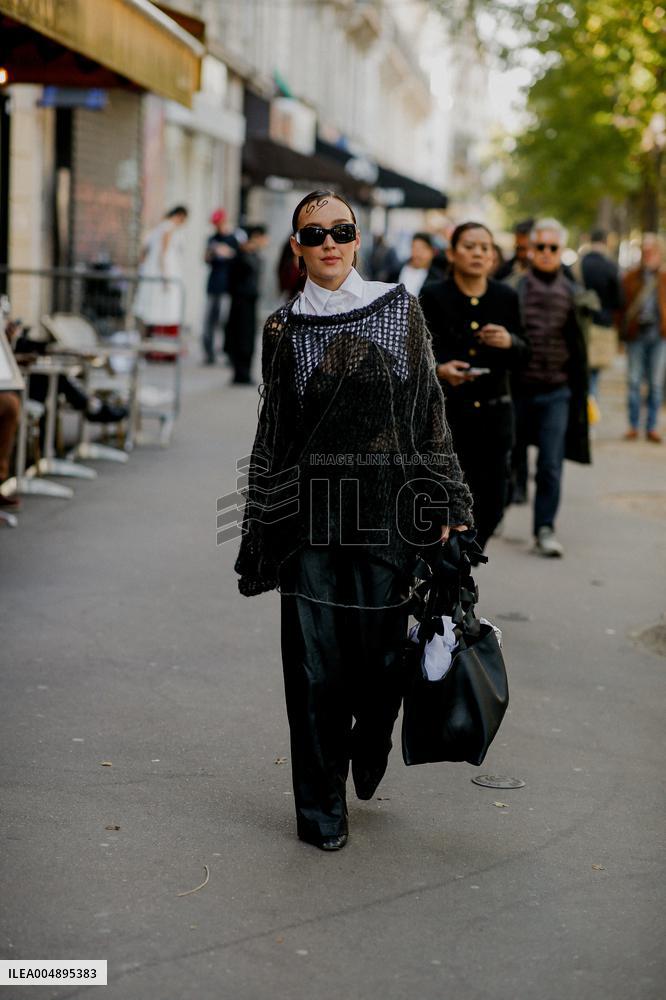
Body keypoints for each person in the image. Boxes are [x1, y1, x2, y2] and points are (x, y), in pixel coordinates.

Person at [234, 189, 473, 852]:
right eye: (315, 234)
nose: (329, 243)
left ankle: (372, 737)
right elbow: (275, 433)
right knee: (313, 670)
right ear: (297, 248)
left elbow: (428, 415)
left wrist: (448, 505)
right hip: (308, 523)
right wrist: (261, 531)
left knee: (376, 665)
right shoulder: (281, 330)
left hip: (386, 521)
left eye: (341, 230)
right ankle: (320, 809)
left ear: (358, 238)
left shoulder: (398, 311)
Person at [420, 222, 529, 549]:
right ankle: (447, 575)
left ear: (494, 256)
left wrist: (509, 341)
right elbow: (416, 357)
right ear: (452, 254)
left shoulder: (506, 297)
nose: (479, 253)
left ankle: (462, 562)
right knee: (443, 502)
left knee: (494, 503)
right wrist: (440, 370)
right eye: (470, 246)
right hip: (447, 420)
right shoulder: (433, 296)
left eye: (485, 247)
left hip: (494, 418)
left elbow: (525, 355)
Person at [509, 218, 591, 557]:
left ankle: (545, 527)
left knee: (551, 464)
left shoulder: (574, 293)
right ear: (529, 250)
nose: (545, 253)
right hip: (517, 389)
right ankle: (491, 512)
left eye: (552, 247)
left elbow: (580, 347)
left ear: (560, 251)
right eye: (539, 246)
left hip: (557, 391)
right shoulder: (513, 288)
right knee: (507, 456)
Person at [619, 234, 666, 443]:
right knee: (634, 381)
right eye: (645, 251)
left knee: (655, 384)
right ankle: (633, 425)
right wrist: (622, 333)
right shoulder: (630, 277)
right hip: (636, 336)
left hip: (659, 335)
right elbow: (621, 308)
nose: (648, 255)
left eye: (651, 251)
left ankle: (652, 426)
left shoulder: (664, 277)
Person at [133, 205, 188, 357]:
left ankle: (149, 345)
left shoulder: (157, 228)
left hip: (153, 272)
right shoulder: (168, 228)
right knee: (161, 310)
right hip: (163, 273)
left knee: (150, 310)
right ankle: (159, 348)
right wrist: (165, 275)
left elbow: (144, 251)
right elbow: (163, 253)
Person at [576, 229, 622, 403]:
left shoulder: (579, 265)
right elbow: (618, 300)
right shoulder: (610, 267)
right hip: (601, 323)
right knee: (594, 373)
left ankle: (584, 410)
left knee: (581, 370)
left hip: (579, 323)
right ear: (605, 242)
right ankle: (591, 411)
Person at [225, 225, 269, 385]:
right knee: (241, 337)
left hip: (251, 301)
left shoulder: (254, 256)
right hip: (241, 302)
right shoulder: (242, 256)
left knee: (248, 338)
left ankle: (245, 372)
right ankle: (240, 372)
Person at [201, 208, 240, 365]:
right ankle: (209, 353)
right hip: (213, 285)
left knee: (225, 322)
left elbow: (238, 259)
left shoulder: (233, 239)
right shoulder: (212, 239)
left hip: (228, 287)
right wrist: (212, 253)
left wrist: (228, 253)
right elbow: (205, 258)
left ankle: (227, 353)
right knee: (208, 321)